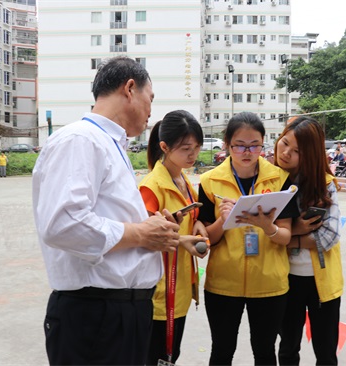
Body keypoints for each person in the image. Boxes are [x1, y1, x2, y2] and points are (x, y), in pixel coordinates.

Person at [32, 56, 182, 365]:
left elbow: (105, 216)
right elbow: (63, 224)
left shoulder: (110, 144)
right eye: (150, 98)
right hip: (96, 314)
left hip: (120, 312)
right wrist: (141, 233)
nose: (151, 109)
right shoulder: (80, 140)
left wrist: (150, 226)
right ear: (130, 89)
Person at [198, 111, 300, 365]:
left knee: (265, 352)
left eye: (255, 145)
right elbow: (206, 240)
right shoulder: (209, 182)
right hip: (223, 283)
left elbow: (286, 235)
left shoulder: (280, 179)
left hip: (269, 284)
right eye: (240, 145)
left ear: (264, 143)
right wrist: (222, 221)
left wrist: (268, 227)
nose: (247, 152)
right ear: (227, 145)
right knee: (221, 351)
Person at [138, 110, 209, 365]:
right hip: (159, 292)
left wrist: (198, 223)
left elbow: (192, 216)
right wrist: (183, 241)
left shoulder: (183, 179)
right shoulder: (151, 186)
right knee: (158, 357)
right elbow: (144, 235)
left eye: (197, 147)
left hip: (179, 288)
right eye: (186, 148)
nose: (193, 154)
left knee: (171, 356)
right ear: (165, 147)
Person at [275, 116, 343, 366]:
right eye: (284, 144)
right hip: (285, 280)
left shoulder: (325, 186)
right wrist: (296, 229)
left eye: (296, 151)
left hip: (321, 282)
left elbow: (329, 236)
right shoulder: (270, 181)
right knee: (287, 348)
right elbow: (259, 232)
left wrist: (288, 237)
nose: (286, 154)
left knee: (325, 353)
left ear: (311, 155)